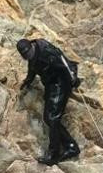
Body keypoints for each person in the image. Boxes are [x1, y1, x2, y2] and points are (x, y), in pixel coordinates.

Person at [17, 37, 81, 165]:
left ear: (31, 46)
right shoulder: (32, 55)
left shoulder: (46, 50)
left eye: (28, 53)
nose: (28, 56)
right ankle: (71, 146)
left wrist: (73, 77)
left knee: (52, 117)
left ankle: (54, 154)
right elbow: (32, 67)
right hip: (51, 83)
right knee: (48, 118)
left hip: (62, 81)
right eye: (25, 55)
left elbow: (63, 60)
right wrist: (28, 81)